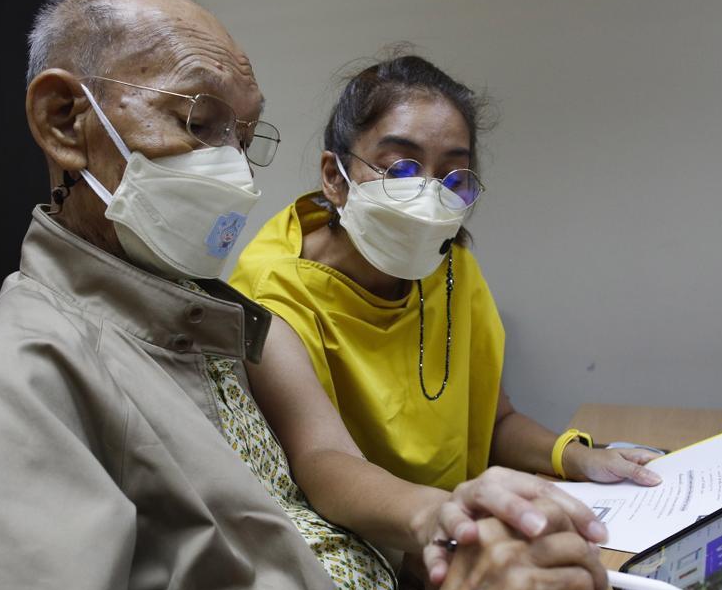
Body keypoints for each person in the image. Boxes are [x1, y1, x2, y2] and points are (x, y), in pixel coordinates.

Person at [0, 0, 609, 590]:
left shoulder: (216, 318)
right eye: (198, 122)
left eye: (243, 138)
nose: (233, 174)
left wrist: (425, 549)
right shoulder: (13, 376)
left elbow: (310, 495)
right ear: (67, 122)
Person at [229, 55, 663, 507]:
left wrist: (577, 458)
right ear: (334, 178)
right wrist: (444, 521)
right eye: (400, 169)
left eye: (453, 177)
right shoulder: (273, 294)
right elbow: (321, 462)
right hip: (370, 547)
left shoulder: (452, 270)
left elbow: (495, 423)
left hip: (454, 525)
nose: (428, 195)